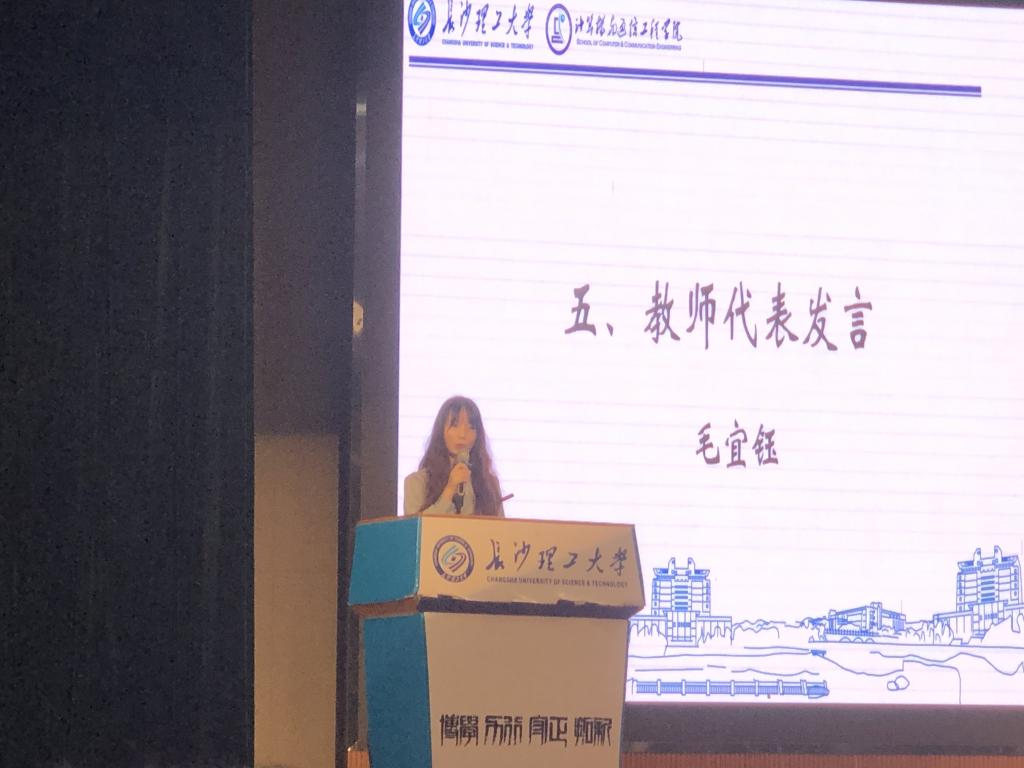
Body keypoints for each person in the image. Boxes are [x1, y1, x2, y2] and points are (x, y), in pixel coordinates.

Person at [403, 395, 505, 517]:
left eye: (471, 427)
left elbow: (500, 528)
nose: (462, 434)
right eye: (455, 425)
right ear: (441, 431)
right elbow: (417, 527)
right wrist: (450, 488)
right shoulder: (416, 482)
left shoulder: (489, 484)